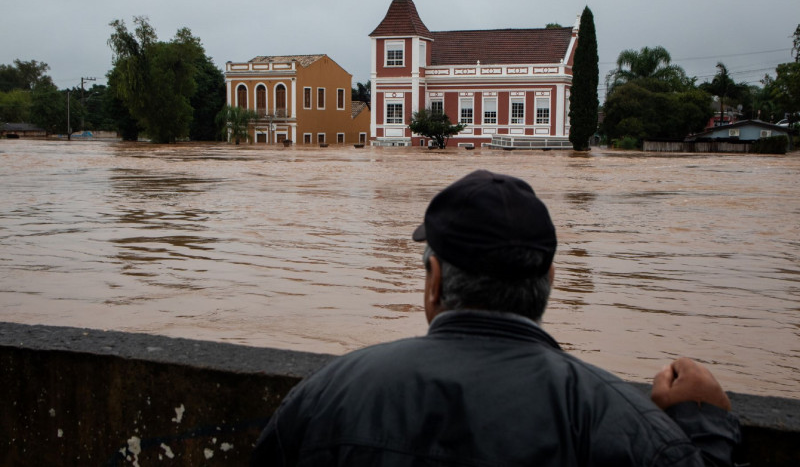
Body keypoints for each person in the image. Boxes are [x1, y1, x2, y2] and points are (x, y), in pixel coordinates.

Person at [252, 169, 740, 466]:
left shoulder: (325, 396)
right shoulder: (618, 420)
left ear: (434, 281)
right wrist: (703, 427)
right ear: (550, 279)